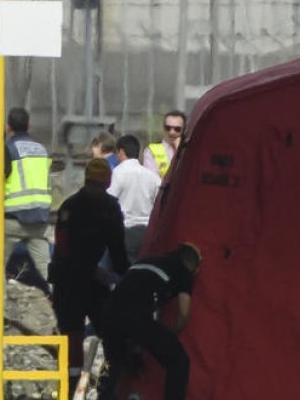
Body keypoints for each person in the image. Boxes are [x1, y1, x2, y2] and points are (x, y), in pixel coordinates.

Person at [50, 158, 130, 394]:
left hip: (70, 280)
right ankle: (112, 382)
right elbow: (117, 247)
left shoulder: (70, 206)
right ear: (107, 181)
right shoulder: (110, 208)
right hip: (94, 281)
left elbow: (61, 246)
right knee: (109, 333)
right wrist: (124, 274)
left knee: (72, 335)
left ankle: (71, 387)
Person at [99, 243, 202, 400]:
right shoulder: (183, 271)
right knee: (179, 361)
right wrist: (173, 333)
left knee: (116, 366)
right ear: (193, 265)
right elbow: (184, 312)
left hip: (108, 313)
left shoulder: (146, 261)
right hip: (135, 317)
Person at [3, 107, 53, 292]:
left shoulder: (8, 149)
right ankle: (65, 309)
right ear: (29, 126)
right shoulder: (41, 149)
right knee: (48, 270)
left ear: (8, 127)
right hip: (39, 220)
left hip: (12, 221)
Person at [108, 135, 160, 264]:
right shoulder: (151, 176)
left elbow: (110, 200)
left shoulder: (118, 172)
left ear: (120, 152)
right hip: (148, 231)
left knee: (125, 269)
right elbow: (160, 202)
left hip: (127, 229)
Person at [142, 110, 186, 178]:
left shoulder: (188, 151)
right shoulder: (151, 151)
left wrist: (180, 151)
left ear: (184, 130)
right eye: (168, 128)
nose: (172, 132)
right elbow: (151, 180)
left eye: (177, 129)